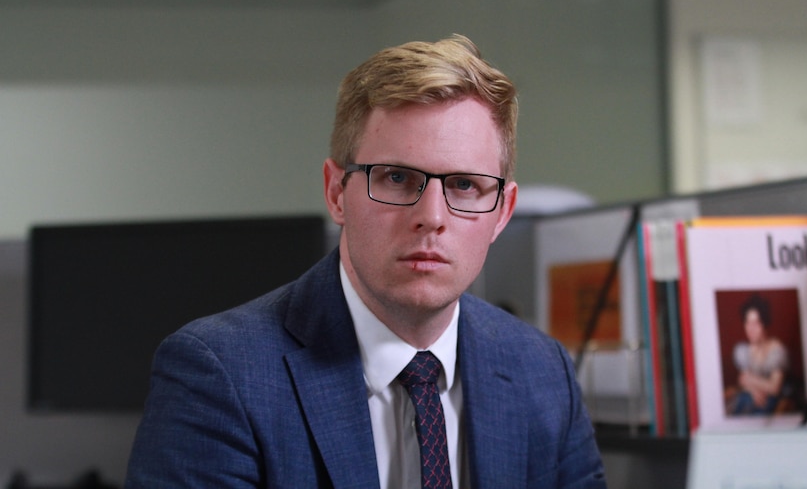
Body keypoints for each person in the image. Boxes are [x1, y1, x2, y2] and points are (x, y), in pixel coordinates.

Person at [125, 35, 607, 488]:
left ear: (501, 212)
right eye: (397, 177)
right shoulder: (219, 374)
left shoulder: (543, 373)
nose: (431, 217)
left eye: (464, 185)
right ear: (337, 193)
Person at [726, 294, 790, 416]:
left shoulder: (777, 350)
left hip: (770, 404)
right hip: (751, 398)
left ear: (765, 324)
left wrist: (750, 380)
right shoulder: (743, 350)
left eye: (755, 324)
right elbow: (743, 380)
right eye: (748, 323)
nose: (750, 329)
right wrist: (753, 390)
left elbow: (775, 387)